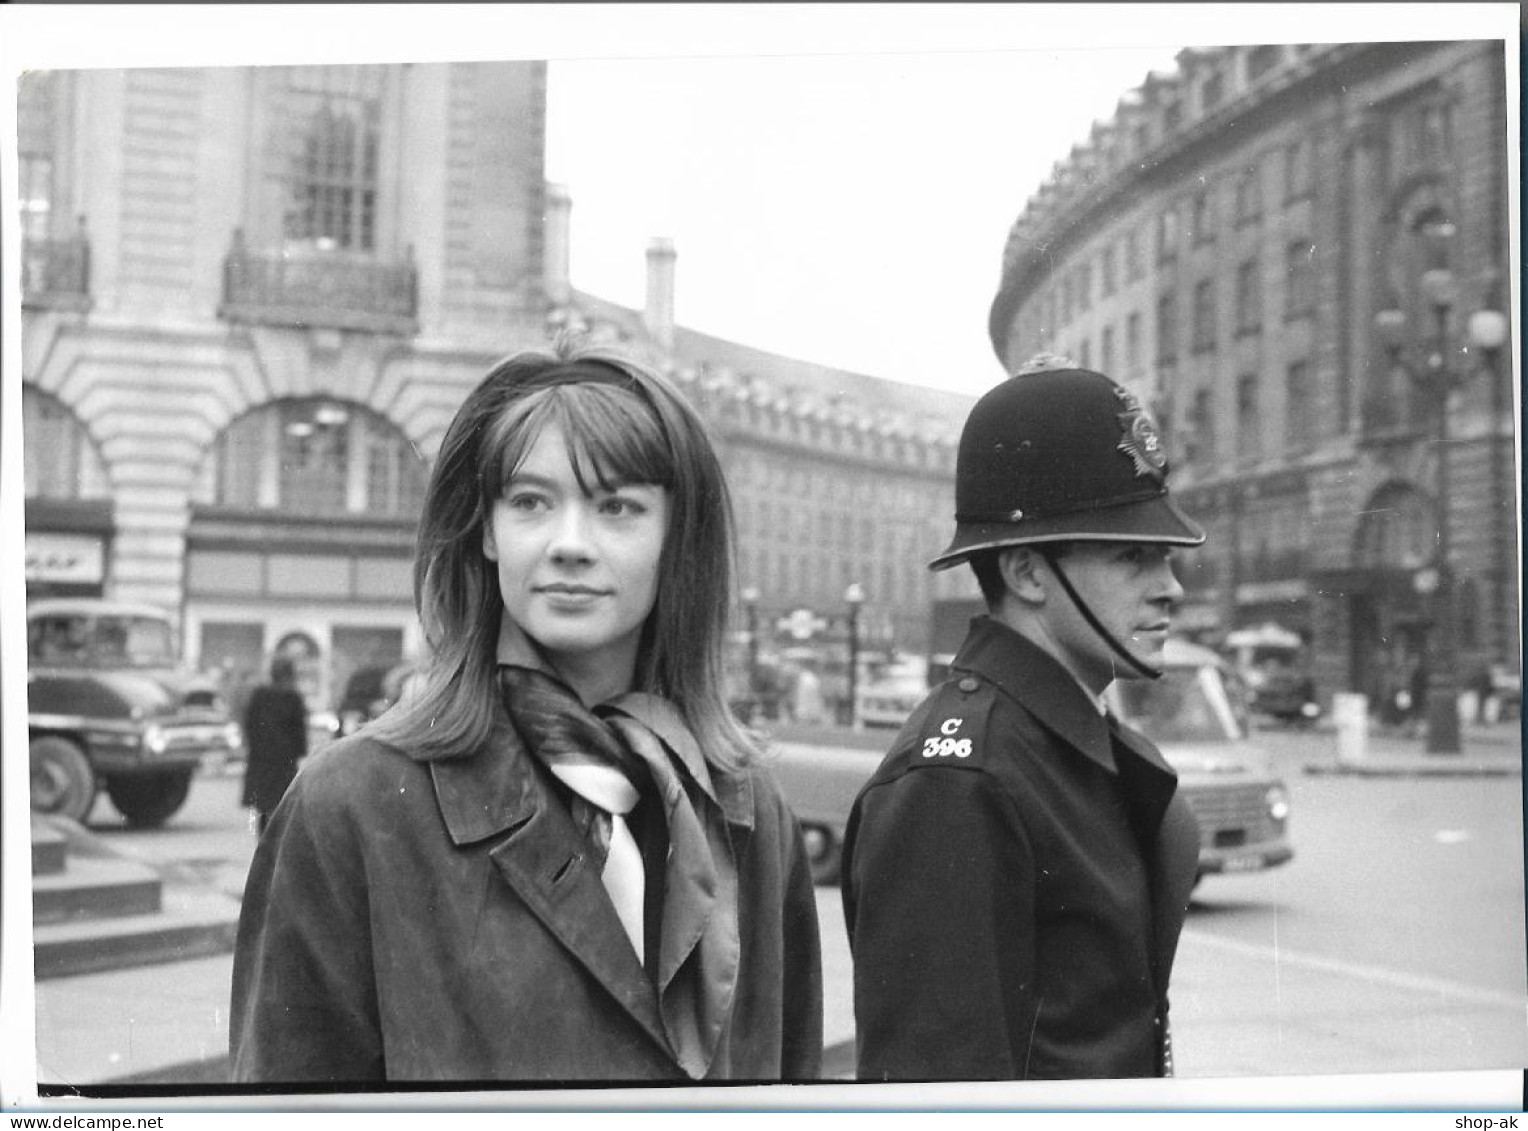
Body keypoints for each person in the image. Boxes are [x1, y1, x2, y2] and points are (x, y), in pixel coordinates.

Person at [229, 338, 823, 1084]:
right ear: (486, 528)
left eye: (618, 506)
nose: (570, 544)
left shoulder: (748, 805)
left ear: (677, 540)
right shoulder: (351, 803)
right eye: (532, 502)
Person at [841, 358, 1205, 1081]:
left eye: (1165, 555)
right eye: (1133, 556)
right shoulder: (962, 783)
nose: (1171, 587)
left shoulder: (1055, 741)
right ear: (1027, 572)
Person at [239, 655, 307, 836]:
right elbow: (299, 731)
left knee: (262, 804)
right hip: (284, 759)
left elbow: (250, 724)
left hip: (261, 758)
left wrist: (253, 746)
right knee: (282, 804)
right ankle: (276, 844)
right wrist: (299, 751)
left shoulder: (259, 695)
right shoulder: (293, 698)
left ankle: (263, 842)